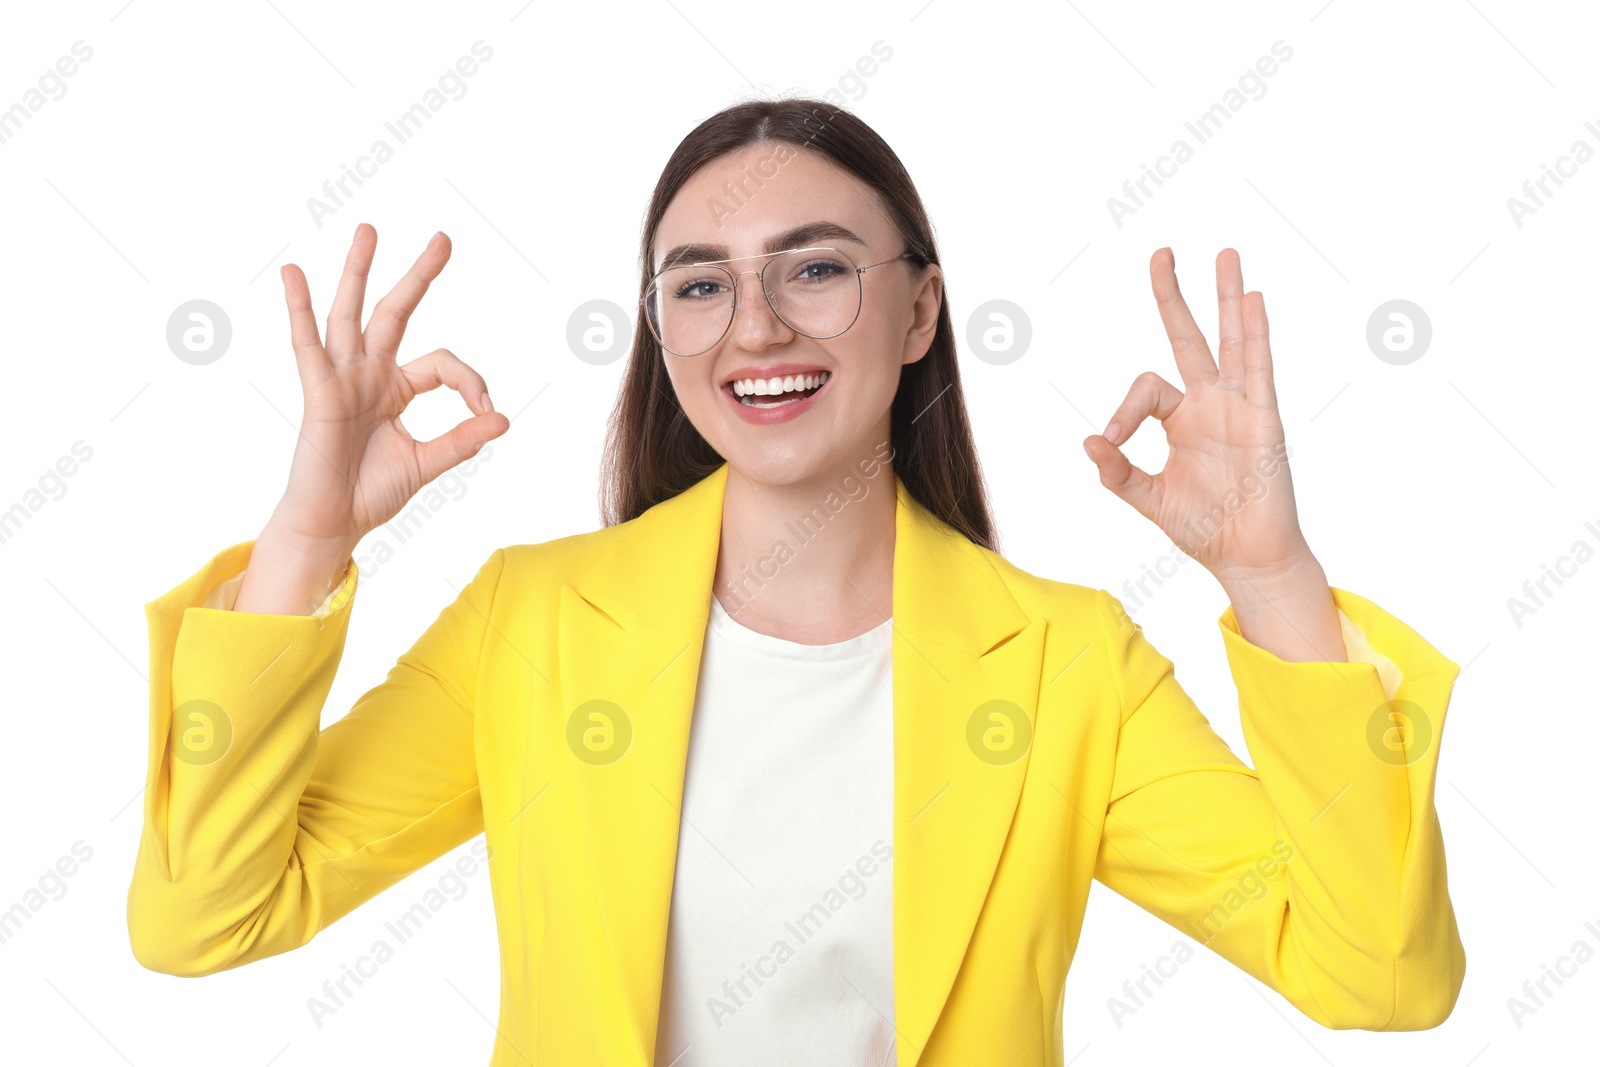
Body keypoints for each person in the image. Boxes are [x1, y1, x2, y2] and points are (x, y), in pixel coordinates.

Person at [127, 97, 1466, 1067]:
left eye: (816, 269)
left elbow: (1379, 978)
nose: (756, 328)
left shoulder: (1068, 664)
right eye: (699, 287)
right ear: (662, 333)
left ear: (921, 311)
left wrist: (1276, 578)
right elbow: (203, 920)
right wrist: (306, 543)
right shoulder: (531, 625)